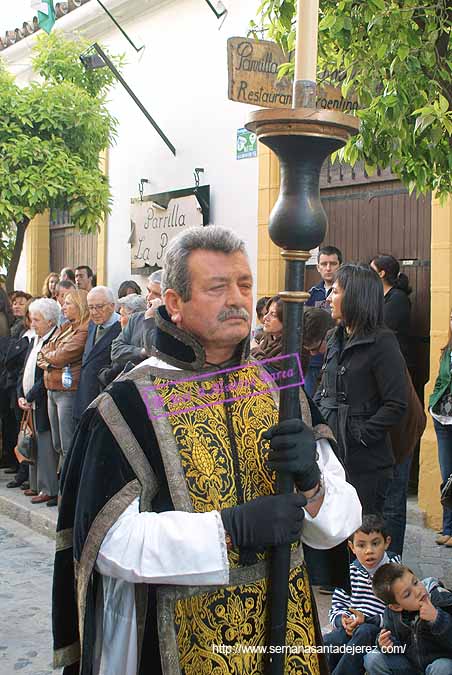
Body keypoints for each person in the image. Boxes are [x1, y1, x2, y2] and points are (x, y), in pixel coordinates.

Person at [53, 226, 362, 675]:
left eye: (244, 285)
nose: (237, 299)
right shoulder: (126, 404)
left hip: (284, 623)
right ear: (174, 304)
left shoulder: (280, 386)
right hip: (177, 638)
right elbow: (108, 544)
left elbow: (340, 523)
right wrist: (230, 528)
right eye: (217, 287)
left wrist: (313, 485)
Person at [316, 263, 407, 514]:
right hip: (331, 456)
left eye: (335, 291)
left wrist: (361, 434)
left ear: (355, 296)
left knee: (360, 538)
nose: (329, 298)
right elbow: (325, 387)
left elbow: (397, 404)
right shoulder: (335, 337)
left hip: (364, 464)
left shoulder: (382, 342)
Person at [324, 515, 400, 675]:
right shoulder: (350, 572)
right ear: (352, 547)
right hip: (353, 628)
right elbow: (337, 606)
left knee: (363, 632)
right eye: (361, 545)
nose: (369, 551)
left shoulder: (395, 573)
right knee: (330, 641)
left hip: (380, 632)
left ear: (387, 542)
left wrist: (366, 619)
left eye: (375, 543)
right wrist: (343, 620)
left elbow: (397, 613)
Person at [38, 290, 89, 482]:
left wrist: (49, 360)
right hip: (51, 387)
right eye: (64, 303)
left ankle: (67, 487)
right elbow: (44, 350)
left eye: (68, 304)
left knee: (67, 443)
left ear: (79, 305)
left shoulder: (83, 329)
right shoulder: (66, 326)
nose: (63, 307)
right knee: (57, 443)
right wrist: (50, 359)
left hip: (67, 390)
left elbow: (61, 356)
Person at [364, 563, 452, 674]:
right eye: (407, 594)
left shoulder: (443, 600)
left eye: (415, 582)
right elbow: (397, 644)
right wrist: (384, 644)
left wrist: (437, 619)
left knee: (443, 667)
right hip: (410, 666)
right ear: (396, 606)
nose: (418, 591)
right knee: (373, 659)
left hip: (437, 665)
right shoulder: (391, 614)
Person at [17, 298, 60, 504]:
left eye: (37, 319)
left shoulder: (53, 339)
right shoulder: (35, 338)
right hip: (29, 400)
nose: (32, 324)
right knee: (34, 443)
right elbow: (25, 368)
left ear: (50, 321)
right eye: (32, 319)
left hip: (41, 400)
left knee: (45, 445)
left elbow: (44, 375)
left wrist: (30, 395)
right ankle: (35, 485)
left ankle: (48, 488)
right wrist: (20, 393)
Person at [72, 286, 120, 422]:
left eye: (99, 307)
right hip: (84, 397)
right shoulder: (92, 325)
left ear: (112, 306)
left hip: (104, 399)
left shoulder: (122, 328)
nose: (94, 312)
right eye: (90, 307)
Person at [305, 246, 343, 396]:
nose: (328, 268)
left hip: (338, 358)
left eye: (333, 264)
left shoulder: (347, 293)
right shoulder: (311, 294)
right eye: (324, 264)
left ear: (340, 265)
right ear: (318, 267)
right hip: (314, 360)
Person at [429, 307, 452, 547]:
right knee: (447, 477)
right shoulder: (447, 350)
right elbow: (439, 380)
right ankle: (447, 528)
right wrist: (432, 402)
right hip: (442, 419)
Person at [110, 270, 162, 367]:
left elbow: (154, 353)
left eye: (156, 294)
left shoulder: (176, 322)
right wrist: (141, 352)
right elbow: (115, 350)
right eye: (148, 291)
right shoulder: (136, 318)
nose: (149, 297)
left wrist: (150, 319)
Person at [370, 254, 411, 363]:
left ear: (381, 273)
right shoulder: (377, 297)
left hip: (394, 358)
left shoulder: (397, 298)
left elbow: (383, 326)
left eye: (371, 270)